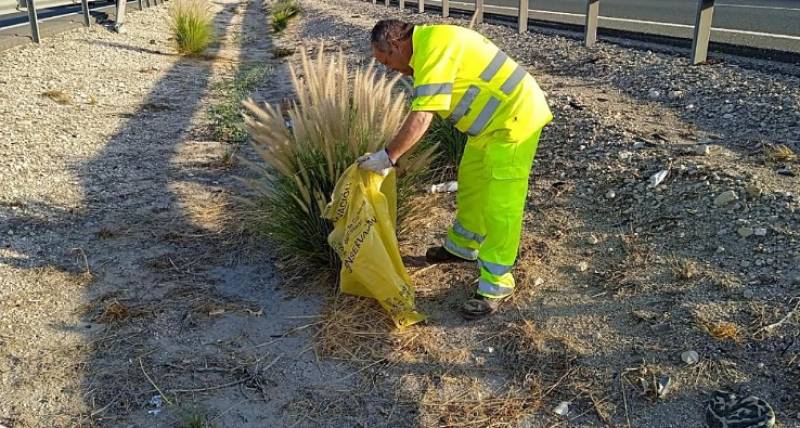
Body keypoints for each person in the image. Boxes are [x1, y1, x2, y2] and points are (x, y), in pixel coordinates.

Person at [358, 19, 552, 320]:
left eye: (386, 62)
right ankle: (462, 247)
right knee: (472, 185)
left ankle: (497, 282)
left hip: (515, 121)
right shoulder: (426, 46)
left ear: (395, 45)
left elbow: (423, 115)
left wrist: (389, 156)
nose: (390, 70)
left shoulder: (433, 46)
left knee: (502, 204)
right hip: (488, 128)